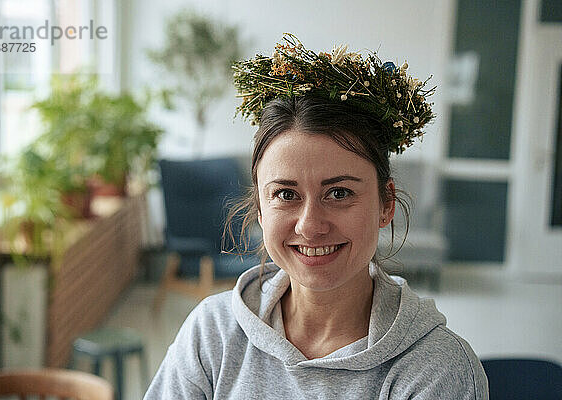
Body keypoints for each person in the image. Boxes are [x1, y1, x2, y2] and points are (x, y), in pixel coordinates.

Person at [145, 34, 488, 399]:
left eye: (339, 193)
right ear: (261, 208)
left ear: (385, 204)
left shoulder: (436, 370)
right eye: (286, 194)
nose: (310, 225)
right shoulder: (213, 333)